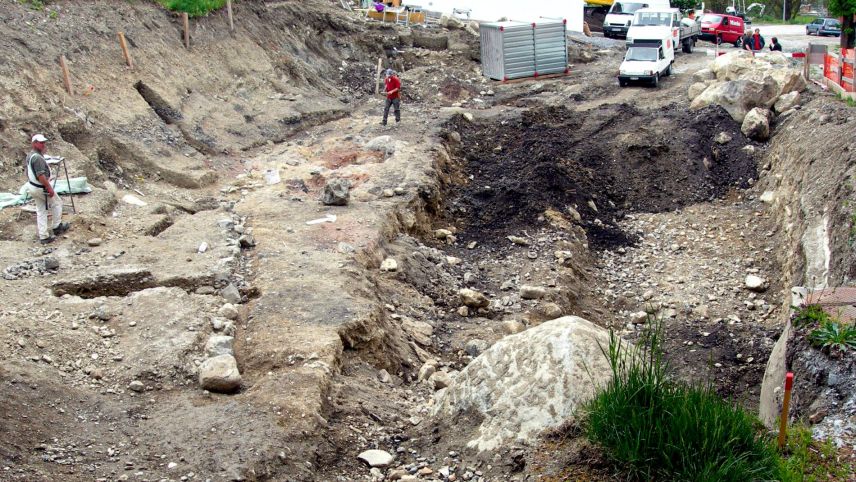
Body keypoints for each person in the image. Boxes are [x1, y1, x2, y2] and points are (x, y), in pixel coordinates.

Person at [23, 134, 70, 244]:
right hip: (40, 187)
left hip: (33, 186)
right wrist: (49, 187)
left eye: (44, 142)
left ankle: (43, 236)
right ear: (34, 143)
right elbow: (41, 176)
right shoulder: (37, 158)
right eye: (41, 143)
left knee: (41, 210)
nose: (43, 144)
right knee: (57, 203)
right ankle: (57, 226)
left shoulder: (31, 155)